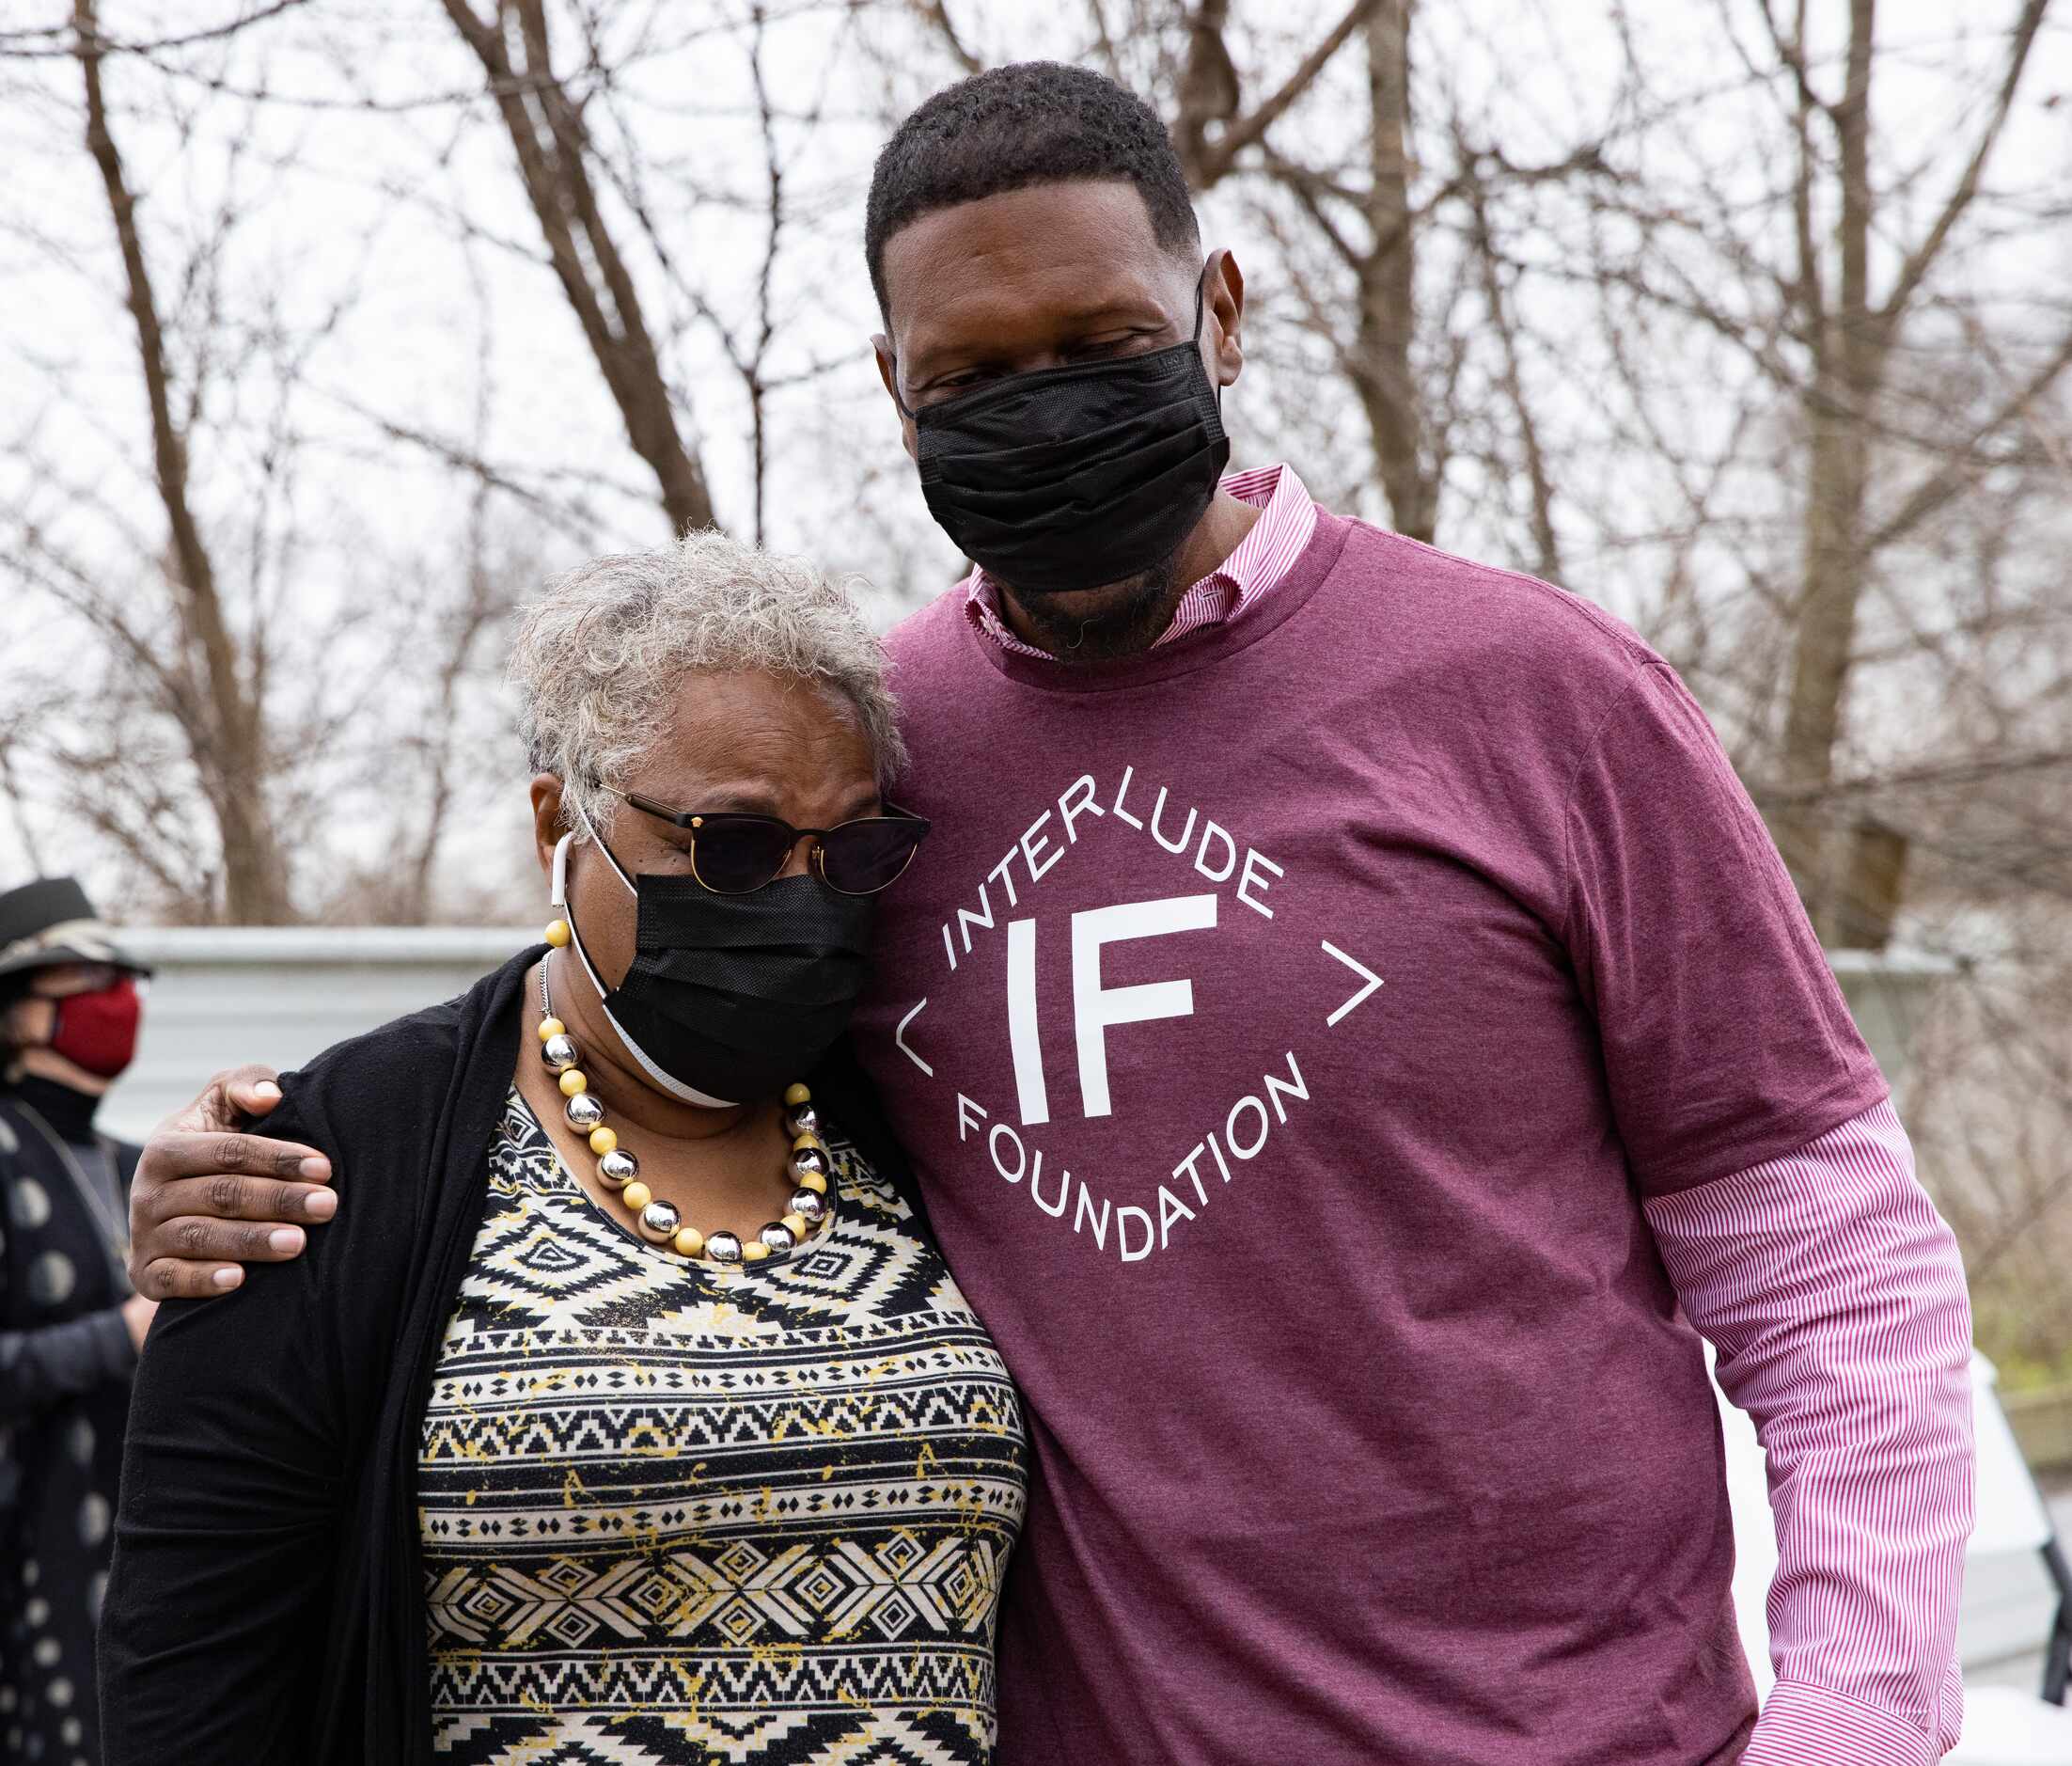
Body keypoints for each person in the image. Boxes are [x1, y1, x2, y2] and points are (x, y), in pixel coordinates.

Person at [125, 63, 1975, 1766]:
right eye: (976, 377)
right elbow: (655, 975)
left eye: (1105, 341)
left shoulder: (1535, 694)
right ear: (892, 388)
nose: (1050, 410)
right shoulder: (879, 758)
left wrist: (1857, 1723)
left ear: (1220, 313)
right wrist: (273, 1161)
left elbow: (1824, 1266)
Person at [97, 538, 1028, 1765]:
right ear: (561, 817)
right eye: (734, 847)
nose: (800, 899)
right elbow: (190, 1687)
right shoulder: (327, 1167)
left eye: (848, 851)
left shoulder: (931, 1119)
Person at [0, 876, 156, 1766]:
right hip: (26, 1567)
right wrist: (122, 1335)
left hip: (122, 1568)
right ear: (19, 1012)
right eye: (90, 984)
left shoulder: (131, 1163)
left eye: (125, 982)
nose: (119, 1003)